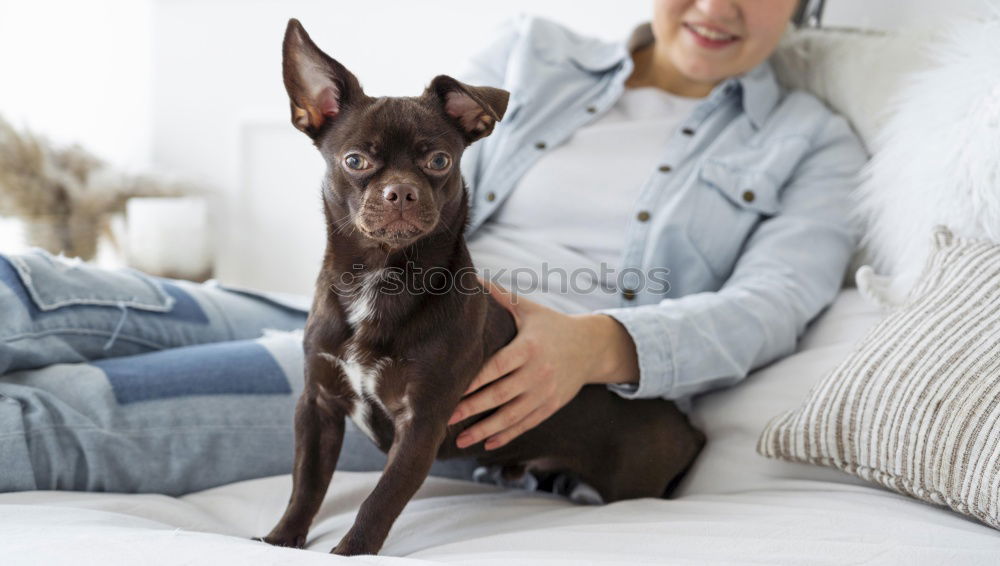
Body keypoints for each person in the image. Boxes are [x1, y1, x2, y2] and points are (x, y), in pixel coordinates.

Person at [0, 0, 866, 497]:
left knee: (65, 411)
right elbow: (390, 169)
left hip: (441, 374)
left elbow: (774, 304)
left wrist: (597, 344)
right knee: (25, 288)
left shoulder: (811, 144)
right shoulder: (534, 54)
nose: (719, 5)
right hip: (344, 305)